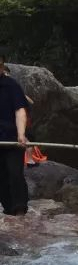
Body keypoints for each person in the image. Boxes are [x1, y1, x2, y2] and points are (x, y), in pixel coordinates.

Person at [0, 56, 30, 216]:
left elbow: (20, 110)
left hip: (12, 138)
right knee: (1, 176)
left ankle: (20, 209)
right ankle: (8, 209)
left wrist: (21, 134)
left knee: (14, 173)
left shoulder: (12, 86)